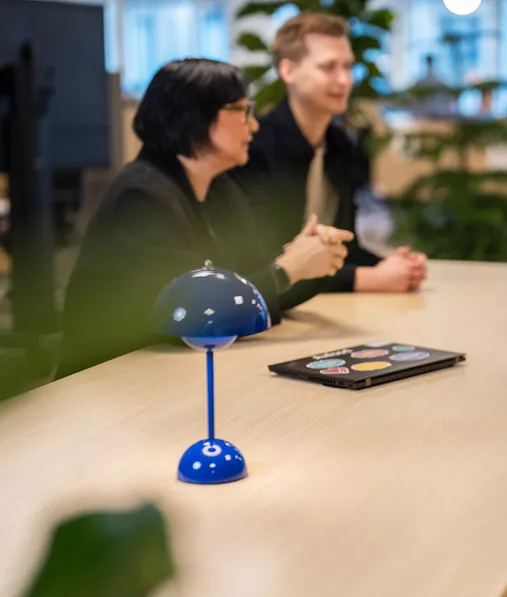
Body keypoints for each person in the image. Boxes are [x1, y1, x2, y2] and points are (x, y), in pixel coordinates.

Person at [58, 59, 352, 378]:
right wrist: (287, 269)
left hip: (175, 372)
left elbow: (257, 291)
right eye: (242, 111)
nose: (253, 126)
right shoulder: (141, 197)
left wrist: (314, 261)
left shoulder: (219, 187)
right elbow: (195, 315)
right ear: (196, 116)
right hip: (111, 382)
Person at [230, 13, 427, 300]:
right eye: (328, 67)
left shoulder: (339, 144)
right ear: (288, 71)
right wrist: (369, 277)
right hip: (273, 313)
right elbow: (269, 263)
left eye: (348, 66)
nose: (344, 80)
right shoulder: (255, 149)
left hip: (324, 307)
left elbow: (346, 246)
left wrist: (394, 267)